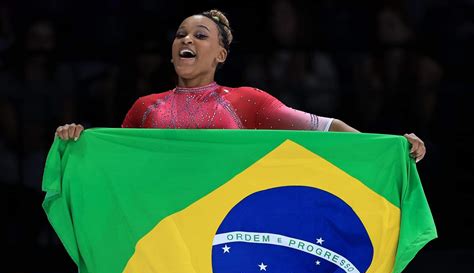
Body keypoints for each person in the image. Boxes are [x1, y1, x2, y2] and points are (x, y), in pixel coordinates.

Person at [55, 9, 426, 163]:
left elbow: (331, 129)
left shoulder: (246, 101)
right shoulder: (145, 107)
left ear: (221, 55)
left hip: (224, 230)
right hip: (165, 228)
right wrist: (77, 142)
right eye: (181, 34)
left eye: (201, 35)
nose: (188, 40)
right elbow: (116, 165)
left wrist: (390, 148)